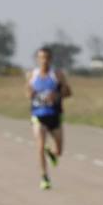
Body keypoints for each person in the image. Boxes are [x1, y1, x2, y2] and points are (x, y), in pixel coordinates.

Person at [26, 47, 71, 190]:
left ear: (50, 59)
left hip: (55, 116)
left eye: (46, 57)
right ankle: (44, 177)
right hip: (38, 116)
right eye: (41, 57)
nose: (43, 60)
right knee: (40, 145)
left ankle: (52, 153)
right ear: (37, 59)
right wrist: (32, 94)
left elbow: (68, 92)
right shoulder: (32, 75)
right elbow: (27, 93)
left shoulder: (57, 75)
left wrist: (57, 95)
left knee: (60, 150)